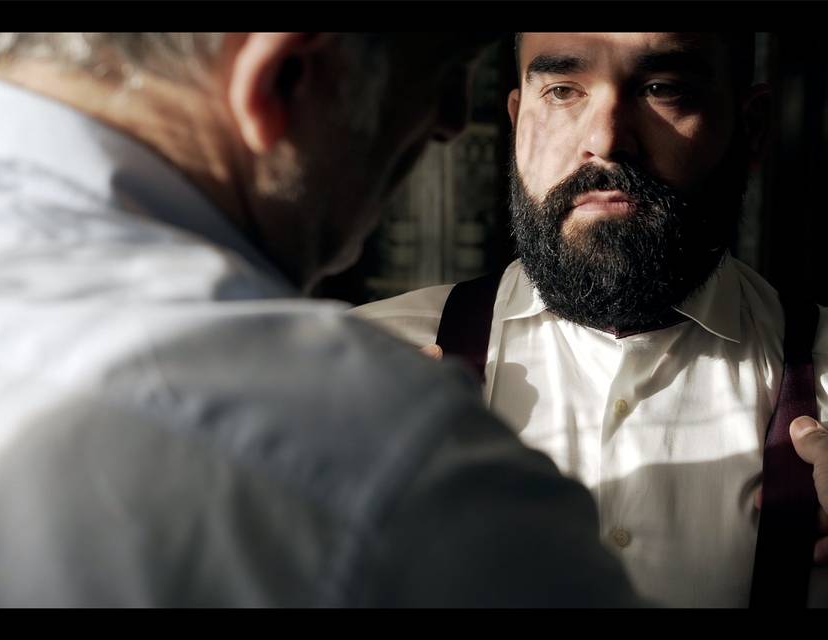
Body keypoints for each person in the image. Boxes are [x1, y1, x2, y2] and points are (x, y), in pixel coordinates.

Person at [0, 32, 647, 607]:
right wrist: (384, 432)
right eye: (440, 71)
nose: (448, 122)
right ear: (284, 77)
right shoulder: (388, 460)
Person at [354, 32, 828, 607]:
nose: (605, 142)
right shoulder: (351, 377)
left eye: (661, 89)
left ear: (751, 128)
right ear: (517, 122)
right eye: (561, 90)